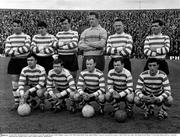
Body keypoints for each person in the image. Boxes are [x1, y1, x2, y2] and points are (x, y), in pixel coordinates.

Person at [4, 19, 31, 110]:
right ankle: (16, 102)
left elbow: (26, 48)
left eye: (18, 26)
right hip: (14, 61)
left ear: (22, 27)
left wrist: (14, 51)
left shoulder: (26, 37)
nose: (16, 27)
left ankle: (26, 101)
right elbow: (7, 51)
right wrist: (19, 51)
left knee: (26, 82)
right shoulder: (9, 38)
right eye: (14, 26)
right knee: (15, 83)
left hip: (24, 61)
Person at [53, 16, 79, 81]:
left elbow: (74, 44)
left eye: (65, 23)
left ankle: (73, 90)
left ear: (69, 24)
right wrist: (66, 43)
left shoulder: (74, 33)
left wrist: (61, 46)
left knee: (73, 77)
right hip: (61, 57)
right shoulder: (58, 34)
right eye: (62, 24)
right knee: (62, 77)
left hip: (71, 57)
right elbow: (54, 44)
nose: (64, 25)